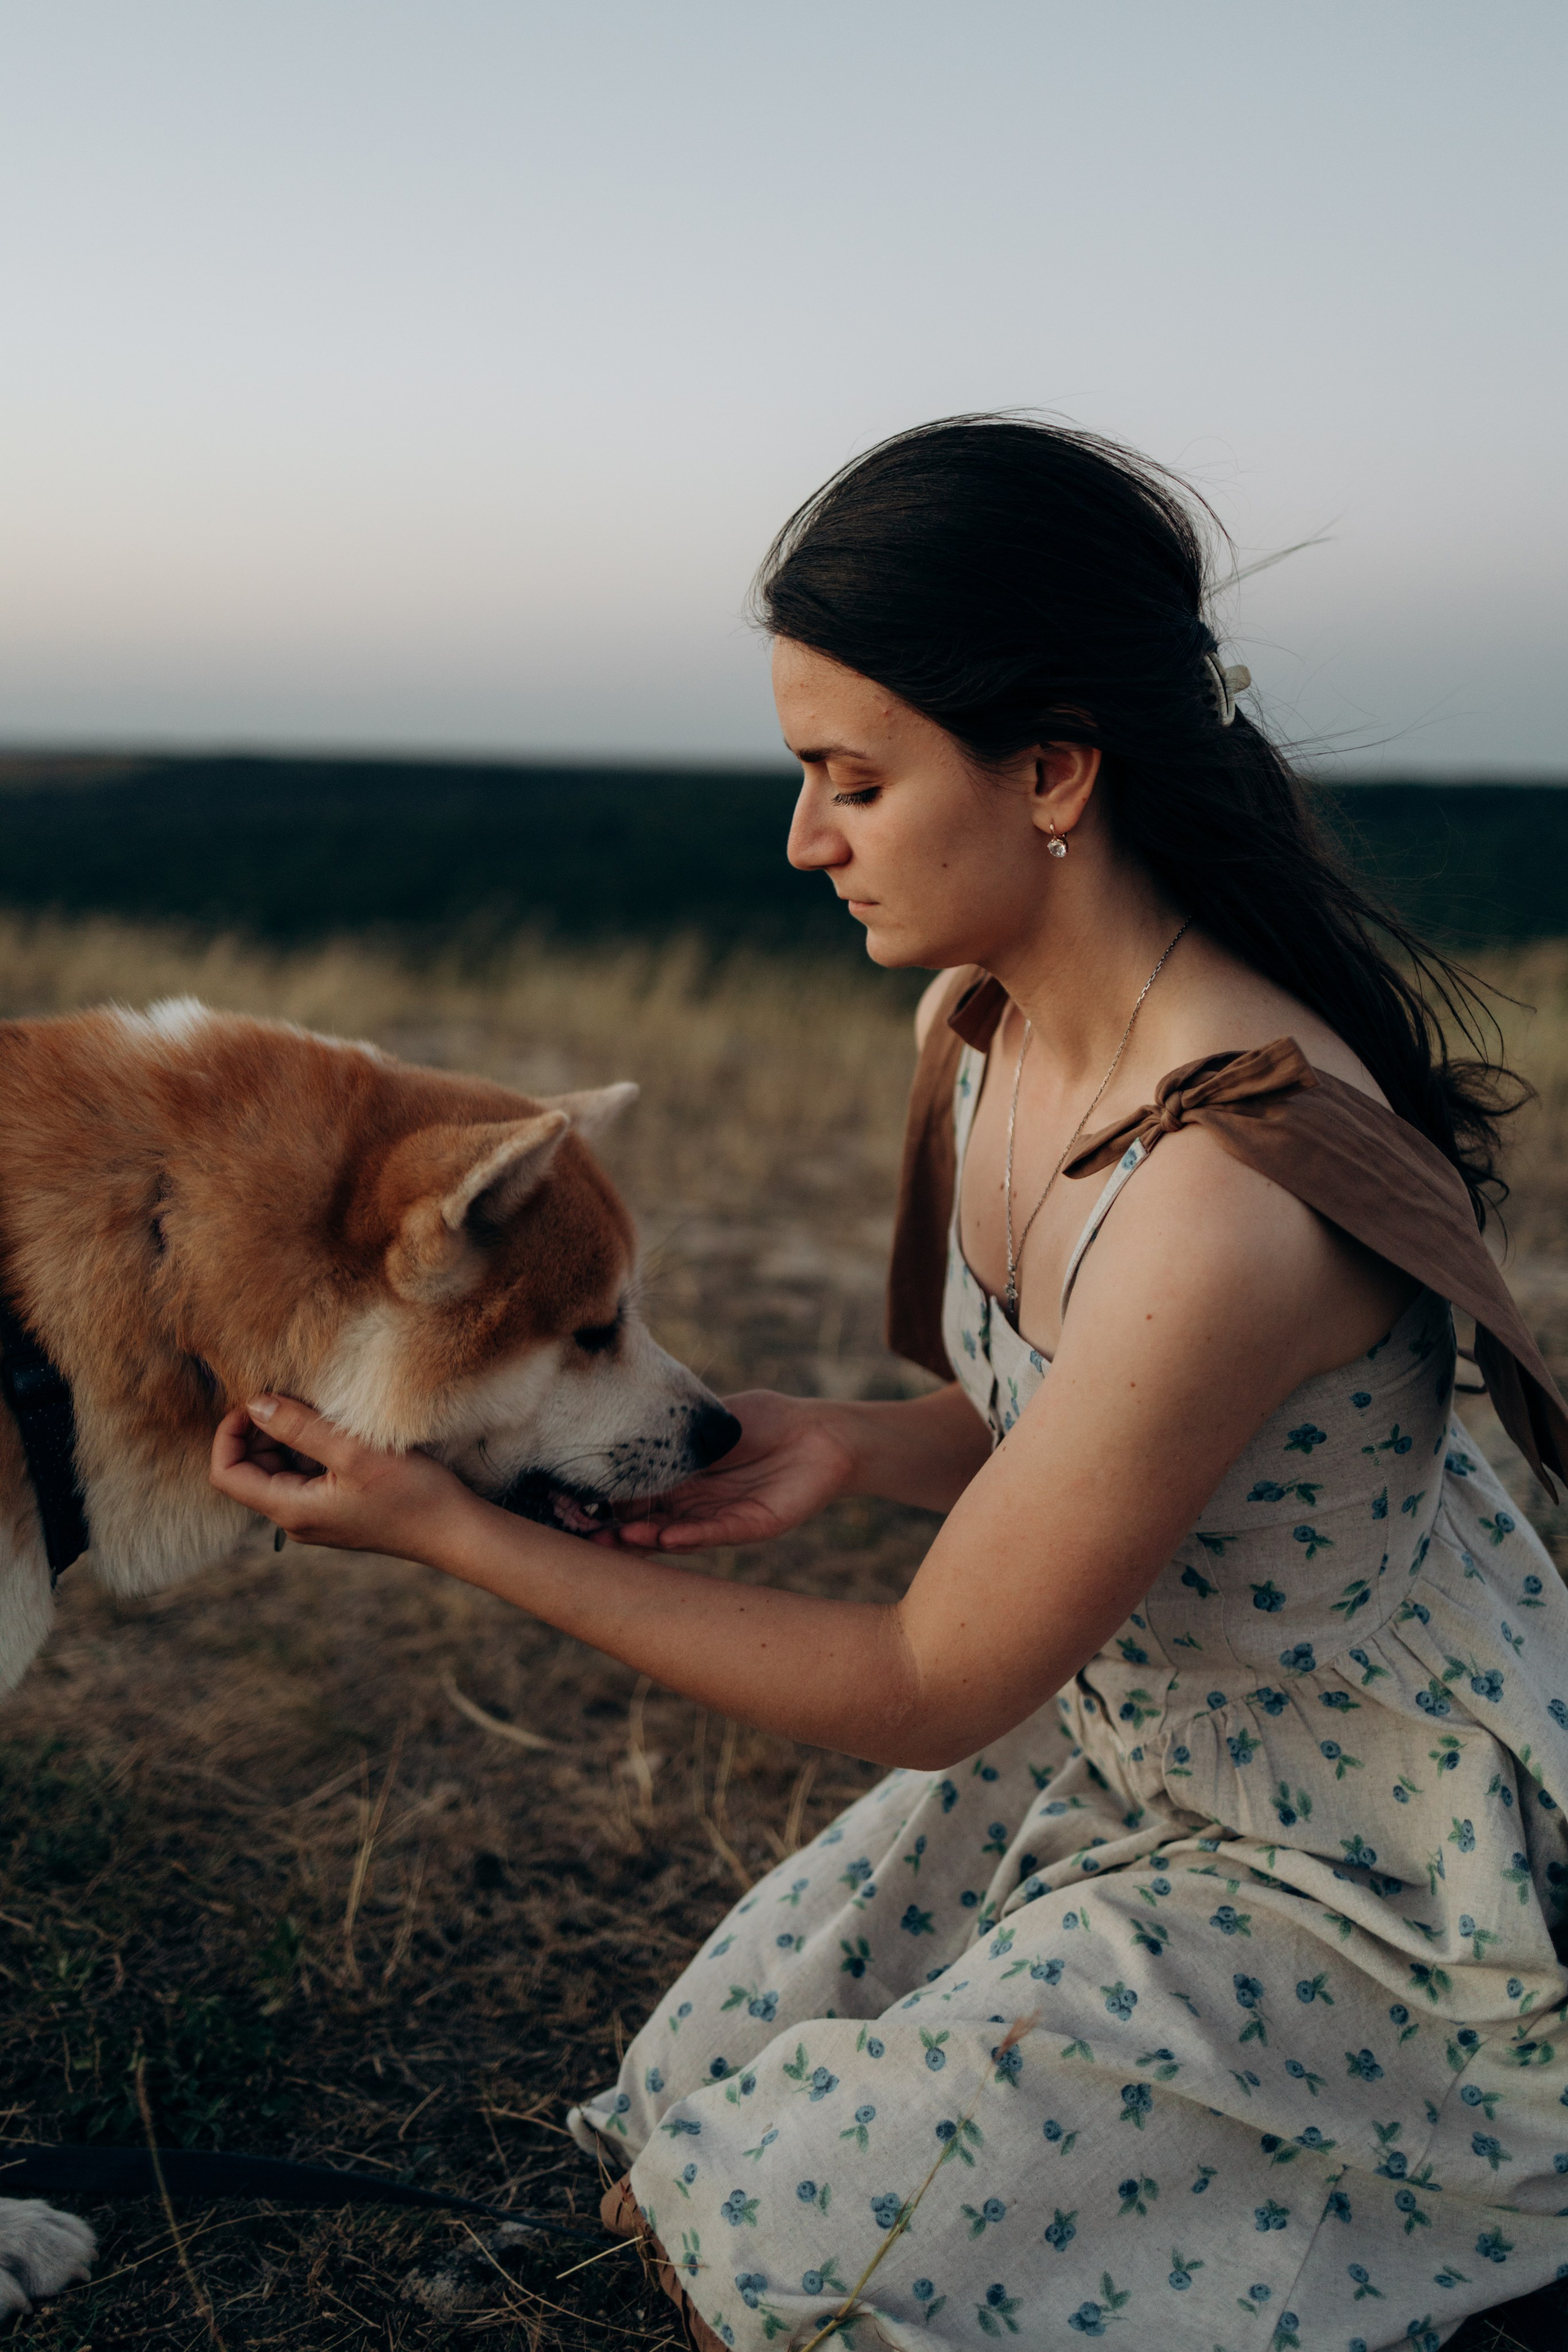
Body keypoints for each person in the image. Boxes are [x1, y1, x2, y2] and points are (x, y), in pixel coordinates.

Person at [211, 418, 1568, 2352]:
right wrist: (847, 1448)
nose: (803, 840)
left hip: (1360, 1855)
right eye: (802, 773)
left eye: (853, 779)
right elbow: (1071, 1435)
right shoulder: (981, 1023)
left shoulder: (1225, 1200)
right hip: (1126, 1747)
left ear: (1053, 772)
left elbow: (932, 1686)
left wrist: (452, 1532)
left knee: (799, 2233)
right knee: (683, 2130)